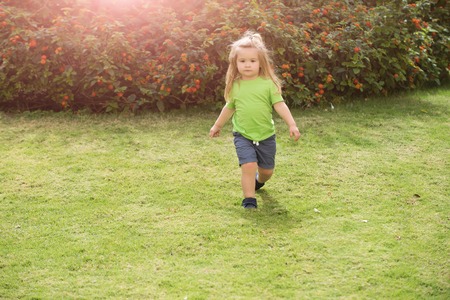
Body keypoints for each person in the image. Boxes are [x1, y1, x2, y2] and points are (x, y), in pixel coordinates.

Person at [209, 31, 301, 209]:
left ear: (261, 63)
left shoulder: (268, 84)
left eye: (252, 61)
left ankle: (259, 181)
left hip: (266, 135)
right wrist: (217, 125)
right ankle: (249, 199)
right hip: (243, 134)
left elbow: (280, 105)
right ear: (236, 63)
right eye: (242, 61)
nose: (247, 65)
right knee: (248, 165)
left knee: (267, 171)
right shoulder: (235, 85)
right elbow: (229, 107)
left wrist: (292, 124)